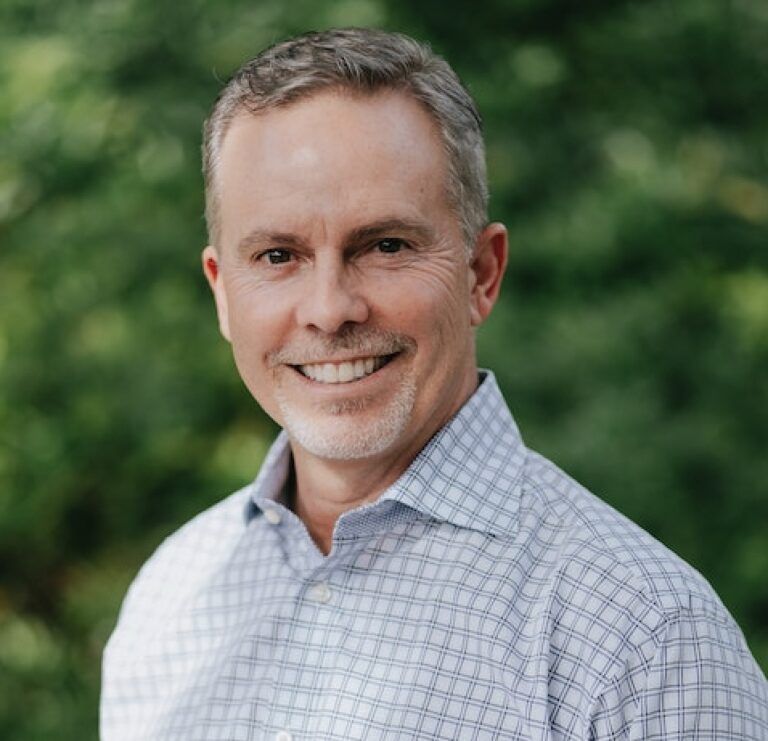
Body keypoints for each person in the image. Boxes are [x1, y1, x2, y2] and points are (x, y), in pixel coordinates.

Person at [101, 27, 768, 740]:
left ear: (481, 274)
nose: (330, 309)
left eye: (386, 245)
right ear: (223, 294)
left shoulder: (648, 641)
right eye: (277, 255)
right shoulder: (169, 599)